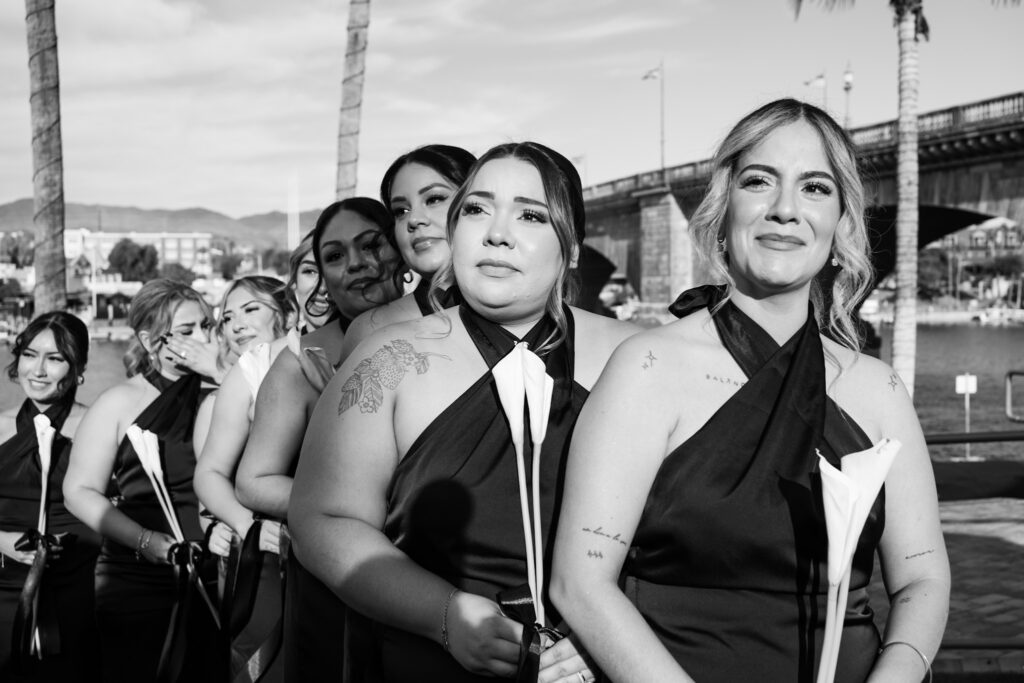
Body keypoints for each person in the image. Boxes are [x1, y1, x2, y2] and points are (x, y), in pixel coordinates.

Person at [549, 99, 951, 683]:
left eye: (815, 188)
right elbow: (581, 580)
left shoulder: (878, 388)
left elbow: (922, 577)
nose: (786, 210)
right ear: (723, 209)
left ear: (841, 224)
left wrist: (899, 674)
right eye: (760, 181)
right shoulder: (649, 366)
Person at [289, 141, 639, 682]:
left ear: (571, 247)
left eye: (530, 214)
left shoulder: (640, 359)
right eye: (476, 209)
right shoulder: (389, 357)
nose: (496, 232)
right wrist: (444, 614)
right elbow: (322, 520)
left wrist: (612, 636)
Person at [233, 197, 403, 680]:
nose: (357, 265)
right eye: (334, 257)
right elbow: (254, 480)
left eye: (373, 245)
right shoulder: (299, 363)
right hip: (339, 582)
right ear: (323, 280)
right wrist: (359, 508)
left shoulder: (449, 337)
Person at [63, 279, 225, 683]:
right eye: (188, 332)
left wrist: (222, 374)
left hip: (217, 571)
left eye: (208, 326)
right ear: (151, 341)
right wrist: (146, 541)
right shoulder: (119, 402)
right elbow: (78, 491)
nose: (204, 339)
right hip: (136, 574)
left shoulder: (227, 392)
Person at [193, 275, 297, 682]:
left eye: (250, 309)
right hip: (260, 559)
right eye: (227, 318)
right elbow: (209, 494)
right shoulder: (220, 402)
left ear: (286, 313)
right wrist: (241, 527)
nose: (235, 324)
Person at [0, 312, 100, 682]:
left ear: (78, 368)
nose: (38, 370)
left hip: (77, 591)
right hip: (3, 587)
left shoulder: (97, 426)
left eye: (55, 359)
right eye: (29, 355)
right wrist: (2, 542)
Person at [341, 144, 477, 357]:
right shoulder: (371, 330)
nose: (413, 220)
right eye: (401, 211)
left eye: (434, 199)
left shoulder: (535, 313)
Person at [287, 231, 334, 333]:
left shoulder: (373, 346)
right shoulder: (275, 349)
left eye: (333, 272)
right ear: (294, 281)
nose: (322, 288)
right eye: (310, 271)